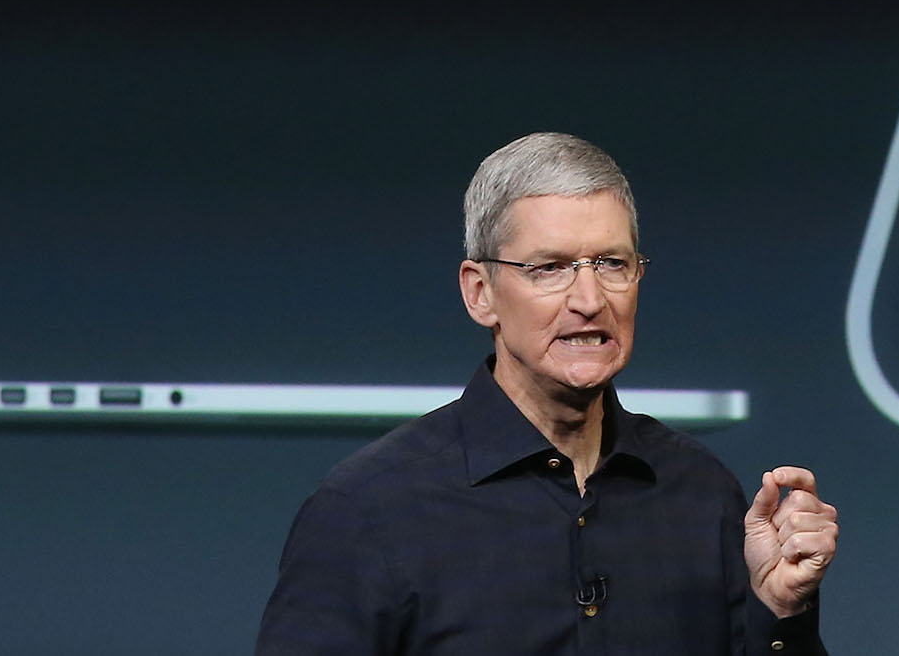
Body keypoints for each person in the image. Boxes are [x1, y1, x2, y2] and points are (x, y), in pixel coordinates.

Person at [256, 132, 837, 654]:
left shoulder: (701, 492)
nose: (589, 299)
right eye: (550, 268)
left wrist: (782, 612)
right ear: (481, 292)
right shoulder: (367, 510)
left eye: (611, 262)